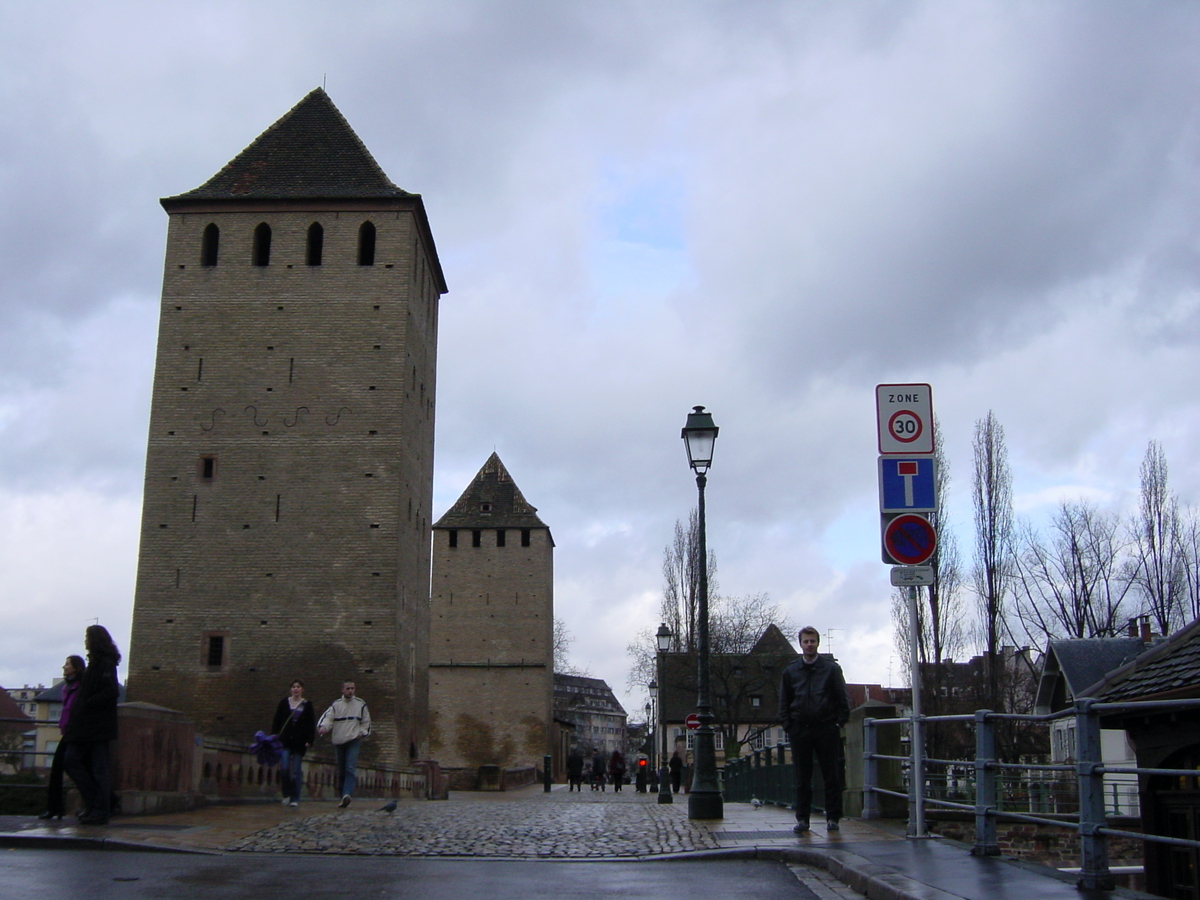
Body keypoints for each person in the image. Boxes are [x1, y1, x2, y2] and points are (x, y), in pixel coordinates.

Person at [779, 625, 850, 834]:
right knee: (802, 777)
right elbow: (784, 700)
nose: (809, 645)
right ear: (800, 644)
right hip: (800, 729)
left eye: (812, 641)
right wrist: (788, 725)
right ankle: (803, 819)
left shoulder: (831, 669)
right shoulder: (791, 671)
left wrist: (839, 721)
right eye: (806, 641)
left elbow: (841, 697)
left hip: (826, 727)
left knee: (831, 775)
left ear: (817, 643)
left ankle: (833, 818)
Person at [63, 626, 121, 825]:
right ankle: (99, 803)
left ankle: (100, 808)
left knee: (92, 766)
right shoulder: (96, 663)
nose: (85, 641)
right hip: (87, 725)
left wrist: (86, 704)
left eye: (88, 638)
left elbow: (110, 692)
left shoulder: (105, 663)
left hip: (95, 725)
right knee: (82, 763)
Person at [38, 655, 85, 821]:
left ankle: (98, 802)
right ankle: (54, 808)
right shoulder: (68, 687)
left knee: (71, 766)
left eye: (67, 664)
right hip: (68, 732)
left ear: (76, 668)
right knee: (59, 767)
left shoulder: (80, 687)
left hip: (76, 733)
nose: (64, 667)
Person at [317, 681, 371, 807]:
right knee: (341, 769)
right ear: (342, 690)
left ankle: (347, 794)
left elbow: (366, 722)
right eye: (348, 688)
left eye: (352, 688)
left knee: (350, 768)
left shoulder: (360, 704)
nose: (350, 691)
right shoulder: (336, 705)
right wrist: (324, 727)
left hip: (353, 739)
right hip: (339, 739)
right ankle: (342, 795)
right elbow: (328, 718)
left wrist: (362, 733)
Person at [272, 679, 316, 807]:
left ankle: (295, 798)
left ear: (302, 689)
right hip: (285, 741)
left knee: (296, 771)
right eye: (294, 687)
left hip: (299, 742)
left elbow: (310, 724)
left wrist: (309, 740)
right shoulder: (284, 703)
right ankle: (286, 794)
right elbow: (277, 720)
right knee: (284, 768)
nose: (296, 689)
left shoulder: (307, 705)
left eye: (298, 687)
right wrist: (274, 736)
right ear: (290, 689)